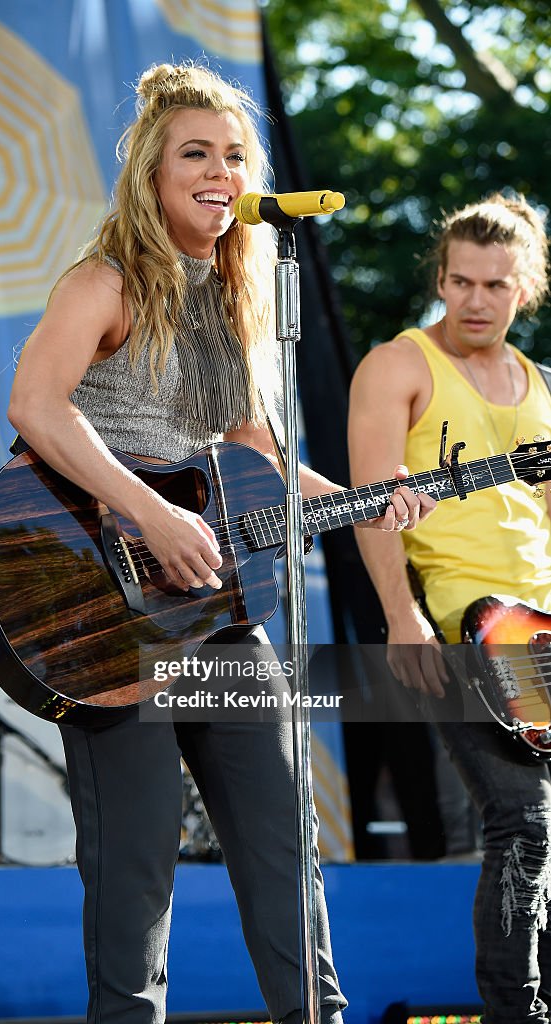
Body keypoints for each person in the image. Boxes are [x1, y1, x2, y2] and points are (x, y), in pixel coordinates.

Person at [8, 61, 432, 1024]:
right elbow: (34, 403)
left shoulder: (241, 301)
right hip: (103, 606)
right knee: (136, 868)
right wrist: (148, 510)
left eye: (235, 155)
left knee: (285, 843)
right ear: (151, 175)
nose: (219, 171)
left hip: (215, 608)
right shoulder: (102, 279)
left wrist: (364, 500)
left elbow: (255, 455)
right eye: (194, 152)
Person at [348, 192, 551, 1021]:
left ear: (523, 290)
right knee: (521, 821)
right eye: (459, 282)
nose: (474, 300)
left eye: (493, 286)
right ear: (439, 278)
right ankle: (516, 1010)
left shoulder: (540, 384)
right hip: (470, 619)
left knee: (534, 832)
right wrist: (401, 618)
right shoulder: (396, 364)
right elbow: (368, 501)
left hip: (541, 627)